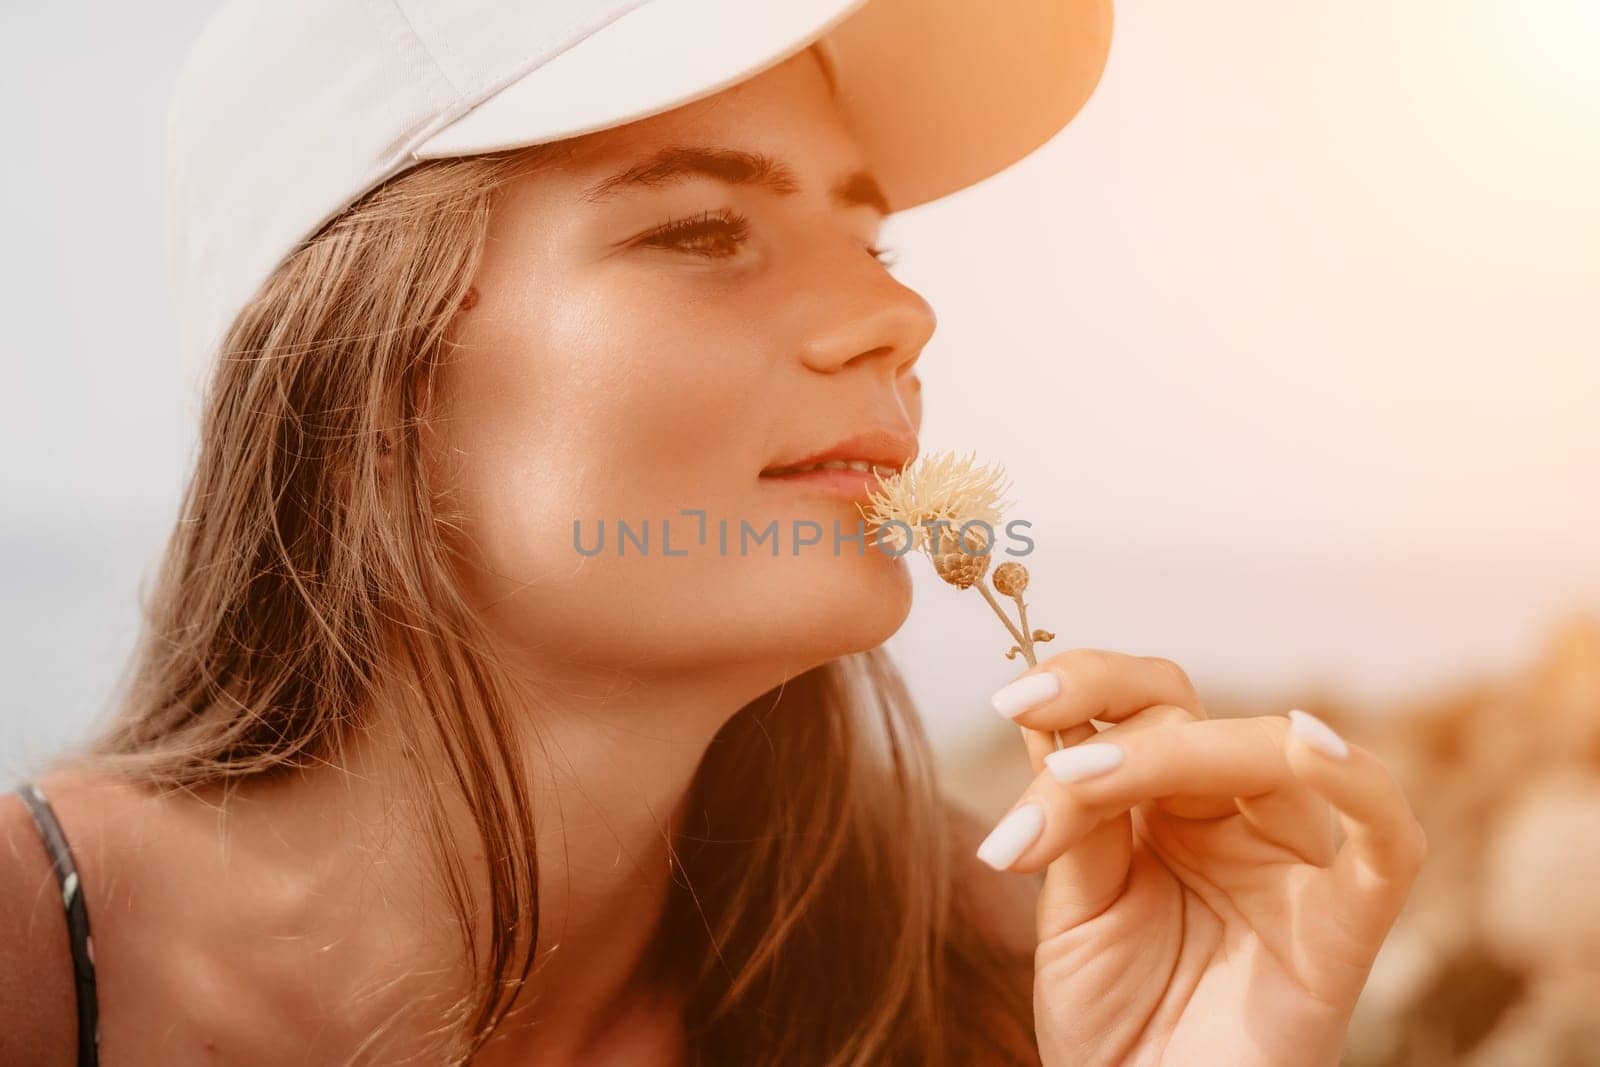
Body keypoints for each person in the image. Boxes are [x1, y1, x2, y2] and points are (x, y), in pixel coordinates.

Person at [1, 1, 1426, 1064]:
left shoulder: (995, 969)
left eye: (872, 244)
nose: (899, 315)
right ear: (360, 380)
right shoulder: (29, 965)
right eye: (700, 233)